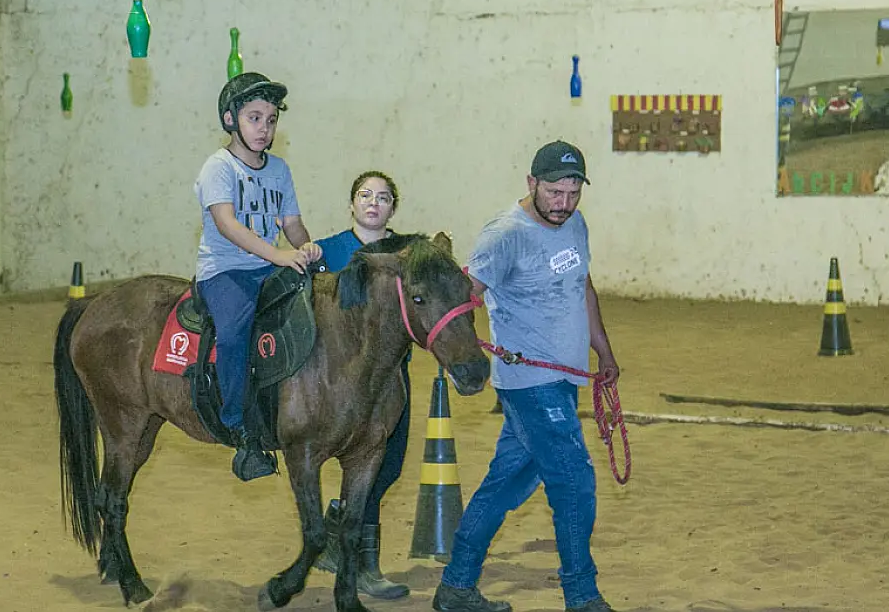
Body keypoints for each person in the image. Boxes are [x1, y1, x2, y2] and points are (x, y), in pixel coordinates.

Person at [432, 140, 620, 612]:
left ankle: (456, 586)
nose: (564, 204)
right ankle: (582, 595)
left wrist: (603, 350)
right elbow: (463, 297)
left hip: (564, 379)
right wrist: (458, 350)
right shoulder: (504, 236)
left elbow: (583, 286)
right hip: (530, 383)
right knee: (574, 482)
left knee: (506, 484)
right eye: (555, 192)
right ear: (532, 183)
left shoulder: (574, 223)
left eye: (573, 193)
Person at [193, 71, 323, 482]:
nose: (264, 128)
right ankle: (236, 422)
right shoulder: (218, 167)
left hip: (268, 265)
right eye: (254, 118)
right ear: (230, 119)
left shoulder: (278, 169)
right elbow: (228, 225)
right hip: (225, 270)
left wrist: (306, 248)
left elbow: (292, 223)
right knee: (234, 333)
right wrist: (280, 255)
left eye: (271, 120)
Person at [311, 171, 412, 600]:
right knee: (364, 467)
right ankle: (366, 568)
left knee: (389, 467)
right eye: (365, 195)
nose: (374, 203)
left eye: (383, 197)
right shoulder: (327, 251)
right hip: (337, 382)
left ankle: (337, 531)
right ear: (351, 203)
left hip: (391, 378)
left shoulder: (408, 253)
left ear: (393, 207)